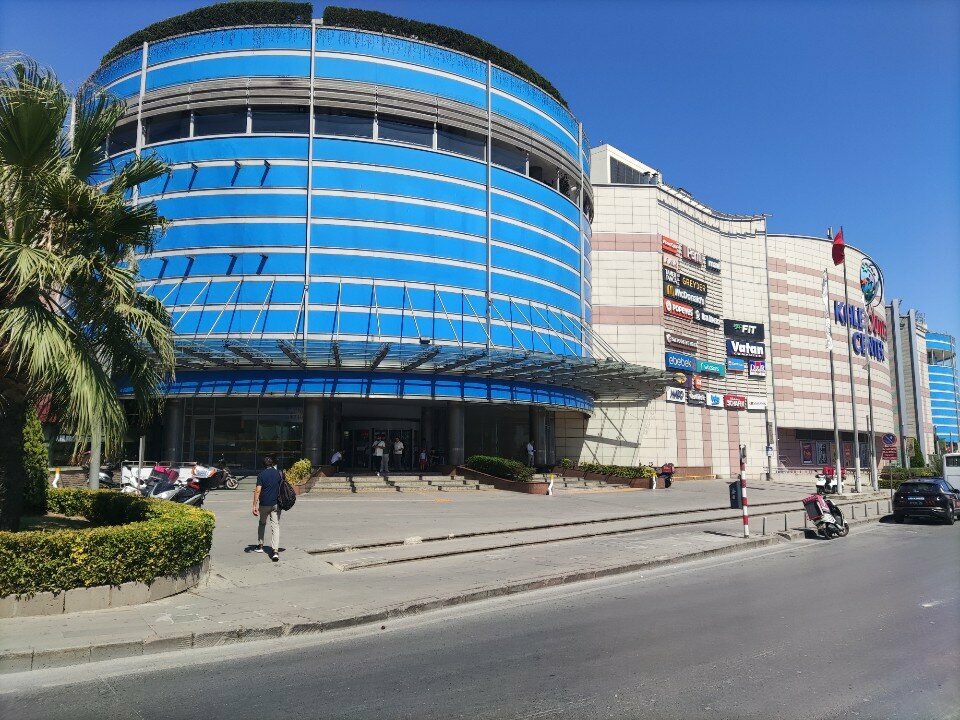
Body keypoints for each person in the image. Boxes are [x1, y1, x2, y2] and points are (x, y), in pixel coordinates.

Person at [252, 455, 282, 562]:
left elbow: (258, 491)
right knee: (275, 526)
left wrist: (254, 505)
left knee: (262, 523)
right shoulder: (278, 474)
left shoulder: (261, 475)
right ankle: (275, 551)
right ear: (272, 464)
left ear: (263, 465)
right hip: (276, 504)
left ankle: (260, 546)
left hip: (264, 504)